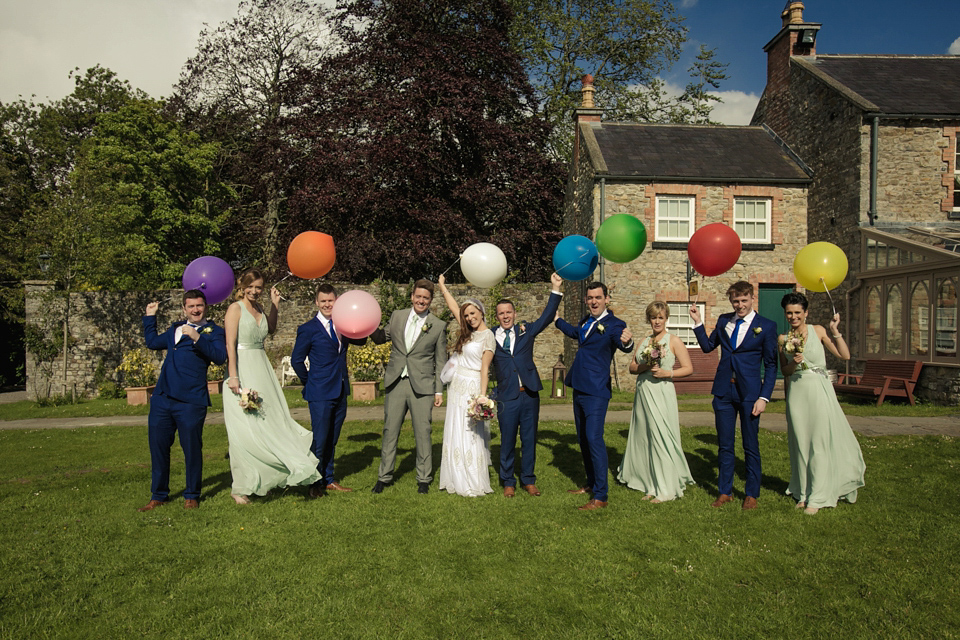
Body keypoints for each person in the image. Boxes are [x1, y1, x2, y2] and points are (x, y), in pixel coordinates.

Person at [223, 268, 322, 504]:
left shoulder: (259, 308)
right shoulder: (234, 309)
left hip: (262, 369)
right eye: (252, 286)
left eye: (259, 287)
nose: (255, 291)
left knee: (270, 423)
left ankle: (265, 477)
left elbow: (271, 329)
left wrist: (275, 305)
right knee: (246, 428)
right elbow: (230, 344)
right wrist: (234, 376)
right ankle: (241, 486)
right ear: (242, 286)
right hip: (243, 369)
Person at [690, 280, 778, 510]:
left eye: (744, 301)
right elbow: (708, 347)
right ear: (731, 301)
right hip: (724, 392)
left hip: (750, 393)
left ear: (752, 298)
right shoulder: (723, 321)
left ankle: (751, 493)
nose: (740, 305)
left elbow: (770, 365)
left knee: (751, 445)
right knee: (725, 445)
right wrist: (698, 323)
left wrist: (764, 397)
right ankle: (724, 491)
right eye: (735, 301)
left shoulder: (766, 326)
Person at [138, 290, 227, 511]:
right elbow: (152, 342)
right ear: (184, 308)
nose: (196, 310)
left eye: (199, 306)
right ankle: (158, 495)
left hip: (191, 401)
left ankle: (191, 495)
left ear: (206, 306)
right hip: (162, 399)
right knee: (158, 448)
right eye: (191, 306)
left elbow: (219, 357)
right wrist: (150, 317)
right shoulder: (174, 329)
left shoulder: (213, 331)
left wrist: (197, 338)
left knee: (191, 449)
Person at [779, 292, 865, 515]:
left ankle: (818, 495)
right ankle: (803, 492)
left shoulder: (818, 331)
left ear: (806, 312)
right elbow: (784, 371)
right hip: (797, 392)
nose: (793, 316)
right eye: (789, 312)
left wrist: (835, 332)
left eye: (797, 312)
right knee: (801, 442)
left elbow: (844, 355)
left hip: (818, 389)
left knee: (818, 441)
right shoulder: (783, 339)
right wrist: (794, 363)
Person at [555, 282, 634, 510]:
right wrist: (558, 320)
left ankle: (601, 496)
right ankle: (590, 483)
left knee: (594, 439)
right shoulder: (586, 321)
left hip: (597, 391)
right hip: (578, 387)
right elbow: (575, 333)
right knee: (582, 439)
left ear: (606, 299)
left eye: (598, 297)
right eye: (590, 298)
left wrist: (628, 344)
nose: (593, 301)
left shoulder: (615, 324)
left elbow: (622, 343)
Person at [369, 279, 447, 494]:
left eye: (426, 298)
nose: (421, 301)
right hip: (396, 382)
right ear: (412, 296)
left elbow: (441, 361)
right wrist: (366, 324)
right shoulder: (397, 316)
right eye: (418, 296)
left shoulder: (438, 325)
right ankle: (384, 477)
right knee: (389, 430)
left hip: (422, 386)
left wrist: (439, 390)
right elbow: (380, 338)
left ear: (431, 300)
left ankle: (424, 478)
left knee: (423, 432)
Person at [491, 272, 563, 497]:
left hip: (529, 393)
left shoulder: (526, 330)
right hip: (506, 396)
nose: (506, 316)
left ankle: (528, 479)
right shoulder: (489, 335)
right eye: (501, 313)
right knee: (507, 440)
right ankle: (508, 481)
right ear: (497, 316)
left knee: (530, 439)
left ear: (515, 313)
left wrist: (555, 288)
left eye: (509, 312)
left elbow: (547, 316)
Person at [291, 283, 367, 497]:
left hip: (340, 390)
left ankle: (329, 479)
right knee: (321, 438)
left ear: (337, 302)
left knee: (333, 437)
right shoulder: (308, 329)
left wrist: (361, 321)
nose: (327, 304)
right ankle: (314, 482)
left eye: (330, 301)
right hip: (320, 393)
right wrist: (310, 382)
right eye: (323, 301)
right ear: (317, 302)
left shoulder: (343, 324)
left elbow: (361, 339)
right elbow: (297, 361)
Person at [617, 301, 695, 502]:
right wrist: (645, 366)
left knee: (661, 437)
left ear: (666, 318)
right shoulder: (645, 341)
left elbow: (688, 368)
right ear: (649, 319)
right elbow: (632, 368)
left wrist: (666, 372)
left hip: (662, 392)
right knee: (645, 438)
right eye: (653, 317)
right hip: (643, 392)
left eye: (660, 317)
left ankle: (666, 487)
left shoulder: (674, 340)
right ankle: (649, 483)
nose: (657, 321)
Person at [434, 275, 496, 496]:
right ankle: (454, 475)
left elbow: (485, 369)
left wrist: (482, 396)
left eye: (473, 313)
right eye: (467, 315)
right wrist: (442, 286)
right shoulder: (467, 332)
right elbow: (453, 307)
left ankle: (471, 478)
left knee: (470, 431)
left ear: (481, 312)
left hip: (471, 389)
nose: (469, 318)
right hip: (456, 386)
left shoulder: (488, 337)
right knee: (455, 428)